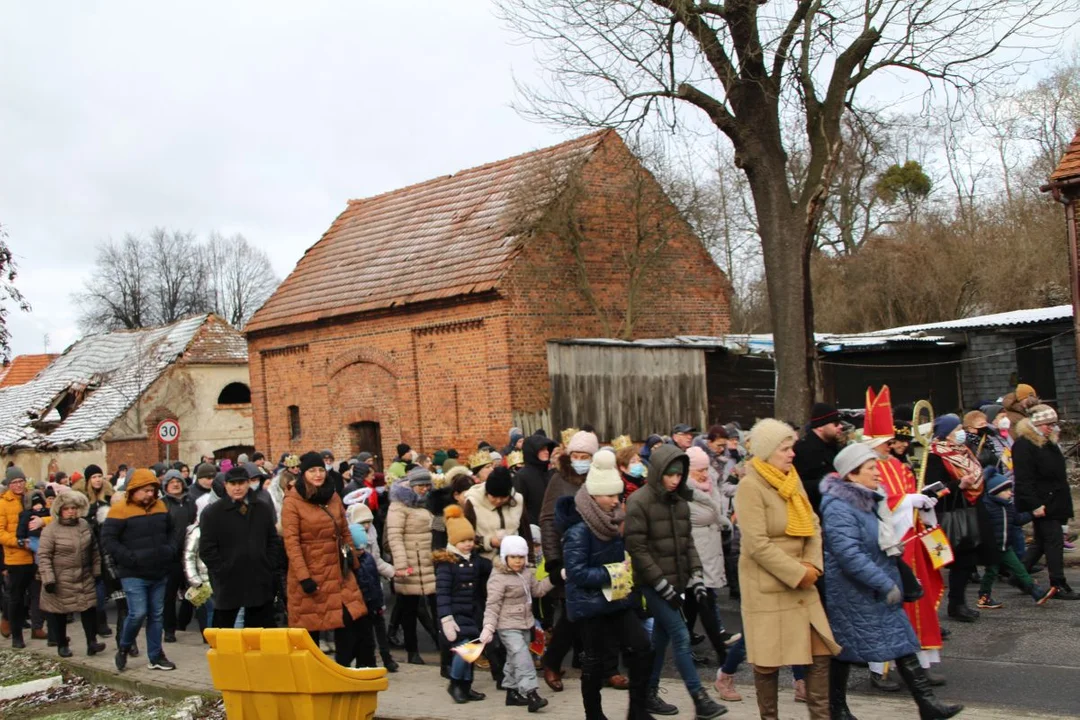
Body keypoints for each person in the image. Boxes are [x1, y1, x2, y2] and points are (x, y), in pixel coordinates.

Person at [821, 443, 963, 720]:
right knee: (844, 650)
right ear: (852, 474)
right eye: (871, 468)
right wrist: (884, 583)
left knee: (903, 643)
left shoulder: (869, 499)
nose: (878, 473)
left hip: (874, 588)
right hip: (856, 591)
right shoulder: (839, 507)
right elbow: (848, 554)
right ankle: (836, 708)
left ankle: (928, 705)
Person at [733, 419, 838, 720]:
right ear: (767, 451)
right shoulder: (750, 486)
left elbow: (814, 526)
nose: (792, 454)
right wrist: (797, 572)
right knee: (767, 664)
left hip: (804, 586)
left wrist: (812, 565)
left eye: (791, 447)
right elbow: (756, 544)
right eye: (785, 449)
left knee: (820, 654)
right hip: (768, 589)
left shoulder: (792, 480)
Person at [625, 444, 728, 719]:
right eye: (670, 474)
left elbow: (687, 542)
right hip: (653, 583)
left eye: (679, 475)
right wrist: (660, 585)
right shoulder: (639, 502)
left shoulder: (680, 502)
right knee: (681, 637)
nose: (675, 480)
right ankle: (700, 699)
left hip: (678, 581)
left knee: (659, 639)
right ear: (658, 473)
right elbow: (637, 549)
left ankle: (648, 692)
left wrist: (696, 577)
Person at [558, 459, 656, 720]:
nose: (616, 501)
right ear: (594, 495)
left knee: (642, 647)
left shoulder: (612, 523)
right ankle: (594, 714)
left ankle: (637, 710)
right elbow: (576, 572)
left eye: (618, 495)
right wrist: (613, 573)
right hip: (589, 604)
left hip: (616, 600)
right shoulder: (578, 530)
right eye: (611, 495)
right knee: (593, 660)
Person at [281, 451, 367, 666]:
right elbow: (291, 542)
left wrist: (353, 560)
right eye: (312, 470)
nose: (318, 474)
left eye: (320, 469)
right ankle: (312, 674)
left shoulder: (333, 495)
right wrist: (303, 577)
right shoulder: (293, 500)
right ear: (303, 474)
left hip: (338, 568)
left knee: (352, 618)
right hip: (310, 569)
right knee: (310, 627)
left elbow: (345, 529)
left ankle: (342, 667)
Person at [101, 468, 178, 672]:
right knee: (138, 613)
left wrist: (169, 549)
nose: (149, 494)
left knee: (157, 615)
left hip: (159, 570)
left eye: (152, 490)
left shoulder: (161, 506)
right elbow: (108, 539)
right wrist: (129, 558)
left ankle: (156, 655)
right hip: (133, 572)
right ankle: (124, 647)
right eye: (144, 490)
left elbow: (172, 531)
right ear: (133, 490)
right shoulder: (119, 510)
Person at [538, 429, 597, 692]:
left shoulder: (598, 478)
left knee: (598, 612)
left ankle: (597, 666)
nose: (580, 459)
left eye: (585, 455)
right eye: (576, 455)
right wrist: (553, 560)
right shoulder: (559, 480)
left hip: (597, 554)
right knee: (573, 615)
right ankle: (551, 660)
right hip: (569, 555)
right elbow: (548, 520)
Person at [923, 414, 987, 621]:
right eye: (957, 428)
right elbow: (931, 489)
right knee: (947, 562)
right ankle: (934, 610)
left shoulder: (962, 451)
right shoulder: (935, 455)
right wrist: (957, 485)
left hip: (966, 511)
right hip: (947, 514)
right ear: (946, 433)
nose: (961, 432)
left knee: (965, 561)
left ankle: (957, 603)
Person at [199, 466, 280, 629]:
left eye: (241, 483)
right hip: (228, 581)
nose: (237, 488)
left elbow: (272, 540)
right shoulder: (213, 513)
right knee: (225, 634)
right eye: (232, 483)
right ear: (226, 485)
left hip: (259, 579)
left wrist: (268, 564)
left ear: (248, 483)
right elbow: (207, 549)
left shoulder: (262, 508)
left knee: (258, 633)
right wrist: (223, 570)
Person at [480, 534, 553, 712]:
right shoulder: (498, 577)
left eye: (521, 557)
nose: (518, 561)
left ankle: (511, 692)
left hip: (525, 623)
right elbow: (492, 604)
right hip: (507, 625)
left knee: (514, 659)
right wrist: (488, 626)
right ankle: (531, 693)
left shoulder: (526, 573)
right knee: (522, 657)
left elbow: (538, 590)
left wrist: (555, 579)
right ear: (505, 557)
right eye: (513, 557)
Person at [1014, 405, 1077, 600]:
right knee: (1053, 541)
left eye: (1053, 424)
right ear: (1037, 424)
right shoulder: (1024, 445)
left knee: (1041, 542)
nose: (1052, 428)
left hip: (1055, 499)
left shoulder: (1047, 442)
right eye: (1048, 424)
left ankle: (1020, 576)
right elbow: (1024, 479)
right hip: (1043, 501)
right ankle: (1058, 583)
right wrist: (1034, 504)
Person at [683, 447, 738, 665]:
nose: (704, 474)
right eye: (699, 471)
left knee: (694, 606)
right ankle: (722, 653)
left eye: (706, 469)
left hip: (710, 552)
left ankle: (687, 650)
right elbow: (710, 515)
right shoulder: (685, 491)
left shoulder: (709, 486)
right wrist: (723, 522)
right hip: (696, 554)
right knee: (703, 601)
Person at [37, 490, 106, 658]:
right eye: (67, 508)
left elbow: (95, 550)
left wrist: (97, 570)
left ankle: (92, 642)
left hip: (83, 576)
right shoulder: (51, 530)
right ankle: (62, 644)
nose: (71, 512)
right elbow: (44, 556)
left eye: (74, 508)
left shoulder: (84, 525)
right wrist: (49, 579)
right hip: (61, 579)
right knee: (60, 612)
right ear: (60, 510)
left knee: (88, 609)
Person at [435, 505, 492, 703]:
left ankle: (466, 687)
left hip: (472, 612)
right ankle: (455, 683)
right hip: (455, 614)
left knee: (472, 651)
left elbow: (490, 568)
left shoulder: (475, 560)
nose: (468, 544)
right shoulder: (446, 564)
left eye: (470, 540)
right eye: (463, 541)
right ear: (453, 541)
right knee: (463, 651)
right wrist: (446, 618)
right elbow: (442, 593)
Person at [978, 468, 1056, 607]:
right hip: (993, 548)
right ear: (995, 492)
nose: (1010, 493)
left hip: (1006, 546)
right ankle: (984, 596)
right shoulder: (986, 507)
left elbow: (1018, 520)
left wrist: (1032, 514)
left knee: (1020, 569)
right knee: (991, 572)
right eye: (1006, 490)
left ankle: (1036, 593)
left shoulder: (1008, 507)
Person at [385, 466, 439, 664]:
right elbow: (394, 535)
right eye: (421, 486)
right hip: (409, 563)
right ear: (413, 485)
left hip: (428, 561)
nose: (425, 489)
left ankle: (442, 647)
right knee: (409, 609)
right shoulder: (399, 505)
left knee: (437, 607)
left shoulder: (427, 503)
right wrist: (401, 565)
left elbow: (436, 527)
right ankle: (412, 651)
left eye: (427, 485)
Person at [345, 501, 401, 672]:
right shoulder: (350, 541)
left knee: (379, 625)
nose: (367, 525)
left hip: (374, 591)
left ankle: (386, 657)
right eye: (363, 523)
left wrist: (393, 572)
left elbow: (376, 561)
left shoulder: (372, 535)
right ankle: (366, 660)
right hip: (359, 595)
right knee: (364, 631)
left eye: (369, 521)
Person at [1, 467, 46, 648]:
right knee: (17, 597)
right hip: (16, 557)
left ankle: (37, 628)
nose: (19, 485)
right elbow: (1, 532)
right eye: (15, 482)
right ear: (9, 484)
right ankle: (17, 635)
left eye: (21, 481)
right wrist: (19, 542)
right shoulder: (3, 503)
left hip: (35, 555)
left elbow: (49, 515)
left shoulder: (32, 498)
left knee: (38, 595)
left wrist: (44, 521)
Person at [463, 466, 532, 563]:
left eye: (503, 497)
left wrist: (530, 560)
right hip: (483, 562)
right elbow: (464, 536)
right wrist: (489, 542)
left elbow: (525, 532)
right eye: (494, 497)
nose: (498, 501)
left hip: (514, 562)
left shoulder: (518, 500)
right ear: (487, 492)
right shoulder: (473, 502)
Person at [161, 470, 196, 642]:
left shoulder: (190, 502)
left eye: (178, 481)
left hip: (188, 554)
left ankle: (183, 622)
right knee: (169, 595)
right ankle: (169, 629)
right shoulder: (162, 504)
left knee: (193, 592)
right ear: (166, 485)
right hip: (170, 556)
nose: (175, 484)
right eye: (171, 481)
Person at [793, 403, 843, 514]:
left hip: (833, 509)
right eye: (835, 423)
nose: (840, 427)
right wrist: (826, 482)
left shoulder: (834, 446)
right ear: (820, 427)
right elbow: (797, 485)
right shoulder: (802, 449)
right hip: (813, 511)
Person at [345, 522, 381, 669]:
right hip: (354, 607)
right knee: (354, 640)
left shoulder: (369, 560)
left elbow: (375, 584)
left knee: (368, 641)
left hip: (369, 605)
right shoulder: (347, 563)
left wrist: (378, 604)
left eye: (362, 548)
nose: (360, 551)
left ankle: (368, 665)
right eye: (357, 548)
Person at [513, 434, 557, 528]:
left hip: (554, 526)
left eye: (547, 449)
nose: (546, 452)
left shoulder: (551, 473)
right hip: (534, 527)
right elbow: (519, 506)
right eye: (542, 449)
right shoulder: (522, 476)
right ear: (532, 452)